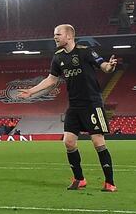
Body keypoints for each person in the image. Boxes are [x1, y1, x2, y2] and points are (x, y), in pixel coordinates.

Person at [18, 24, 118, 192]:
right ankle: (79, 179)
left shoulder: (85, 52)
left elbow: (104, 66)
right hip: (74, 106)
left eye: (58, 34)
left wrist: (111, 66)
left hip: (92, 104)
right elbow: (51, 80)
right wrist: (31, 91)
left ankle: (110, 183)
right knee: (69, 142)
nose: (55, 37)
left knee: (97, 141)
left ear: (69, 36)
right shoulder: (57, 57)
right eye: (54, 34)